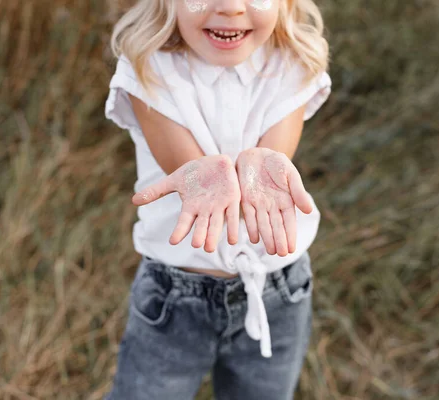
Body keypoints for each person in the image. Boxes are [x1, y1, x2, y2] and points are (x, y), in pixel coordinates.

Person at [104, 0, 331, 398]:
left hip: (279, 288)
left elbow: (275, 157)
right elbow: (191, 169)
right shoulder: (147, 69)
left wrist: (264, 163)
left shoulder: (289, 64)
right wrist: (210, 176)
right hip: (176, 294)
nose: (229, 8)